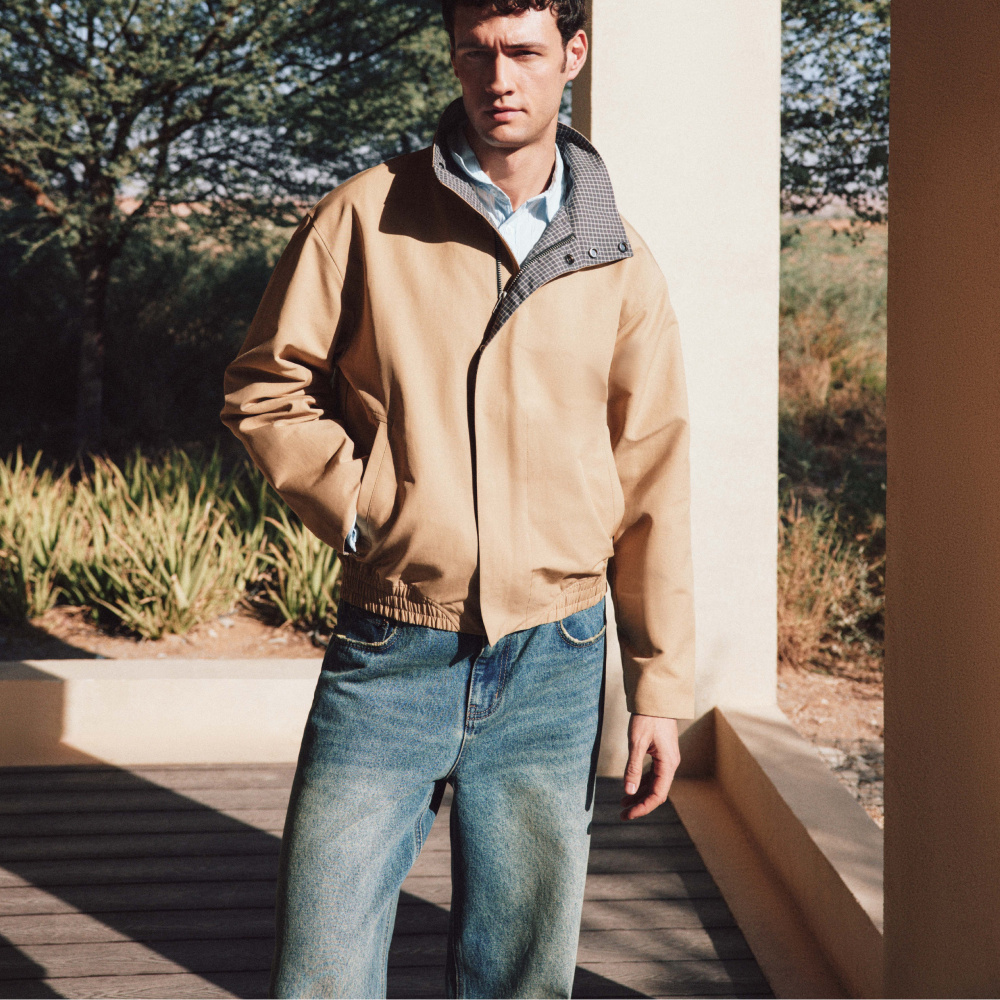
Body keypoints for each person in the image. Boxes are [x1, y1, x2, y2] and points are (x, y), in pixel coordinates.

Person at [221, 0, 695, 995]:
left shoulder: (619, 258)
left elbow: (651, 472)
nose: (498, 79)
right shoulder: (366, 215)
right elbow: (267, 388)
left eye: (523, 51)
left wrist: (658, 687)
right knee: (320, 964)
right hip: (393, 640)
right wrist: (367, 509)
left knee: (521, 976)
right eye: (475, 53)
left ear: (573, 52)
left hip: (558, 655)